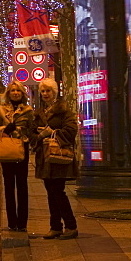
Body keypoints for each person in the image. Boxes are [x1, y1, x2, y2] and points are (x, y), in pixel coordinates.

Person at [32, 77, 79, 240]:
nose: (45, 94)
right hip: (44, 158)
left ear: (55, 92)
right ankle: (55, 227)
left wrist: (53, 133)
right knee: (51, 193)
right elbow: (31, 132)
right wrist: (38, 136)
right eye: (43, 91)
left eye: (48, 91)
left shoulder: (64, 110)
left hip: (58, 156)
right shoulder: (38, 112)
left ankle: (71, 226)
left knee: (58, 192)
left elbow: (72, 129)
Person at [0, 80, 33, 232]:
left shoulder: (28, 111)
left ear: (22, 93)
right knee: (8, 186)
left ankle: (22, 223)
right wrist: (6, 128)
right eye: (13, 90)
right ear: (8, 93)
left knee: (22, 186)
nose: (15, 93)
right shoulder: (0, 109)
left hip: (22, 150)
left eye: (18, 91)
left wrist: (18, 130)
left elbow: (31, 131)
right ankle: (11, 222)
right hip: (6, 150)